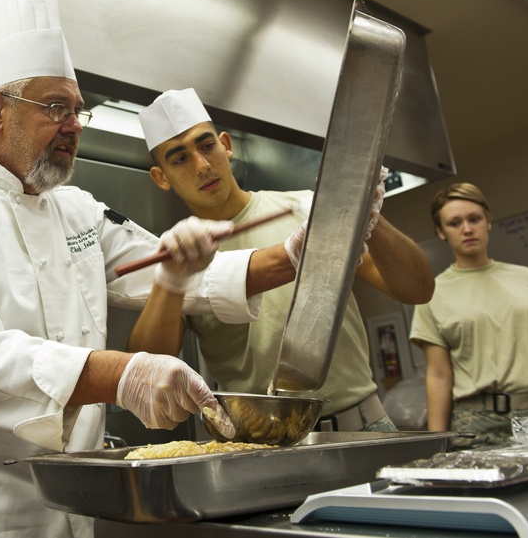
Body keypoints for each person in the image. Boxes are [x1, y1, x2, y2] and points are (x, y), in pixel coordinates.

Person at [0, 0, 302, 538]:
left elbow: (179, 269)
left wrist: (300, 254)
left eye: (78, 110)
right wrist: (123, 374)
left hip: (73, 514)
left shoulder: (76, 211)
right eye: (55, 108)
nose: (73, 126)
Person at [129, 88, 435, 431]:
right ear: (161, 178)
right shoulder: (180, 255)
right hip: (258, 440)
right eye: (179, 158)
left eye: (206, 146)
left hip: (361, 424)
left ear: (226, 146)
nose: (201, 166)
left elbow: (418, 290)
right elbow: (148, 367)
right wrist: (171, 279)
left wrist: (365, 213)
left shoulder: (306, 210)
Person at [410, 182, 528, 448]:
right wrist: (437, 446)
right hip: (477, 423)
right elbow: (438, 375)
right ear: (441, 232)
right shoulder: (432, 294)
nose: (467, 229)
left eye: (474, 219)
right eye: (454, 223)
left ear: (488, 221)